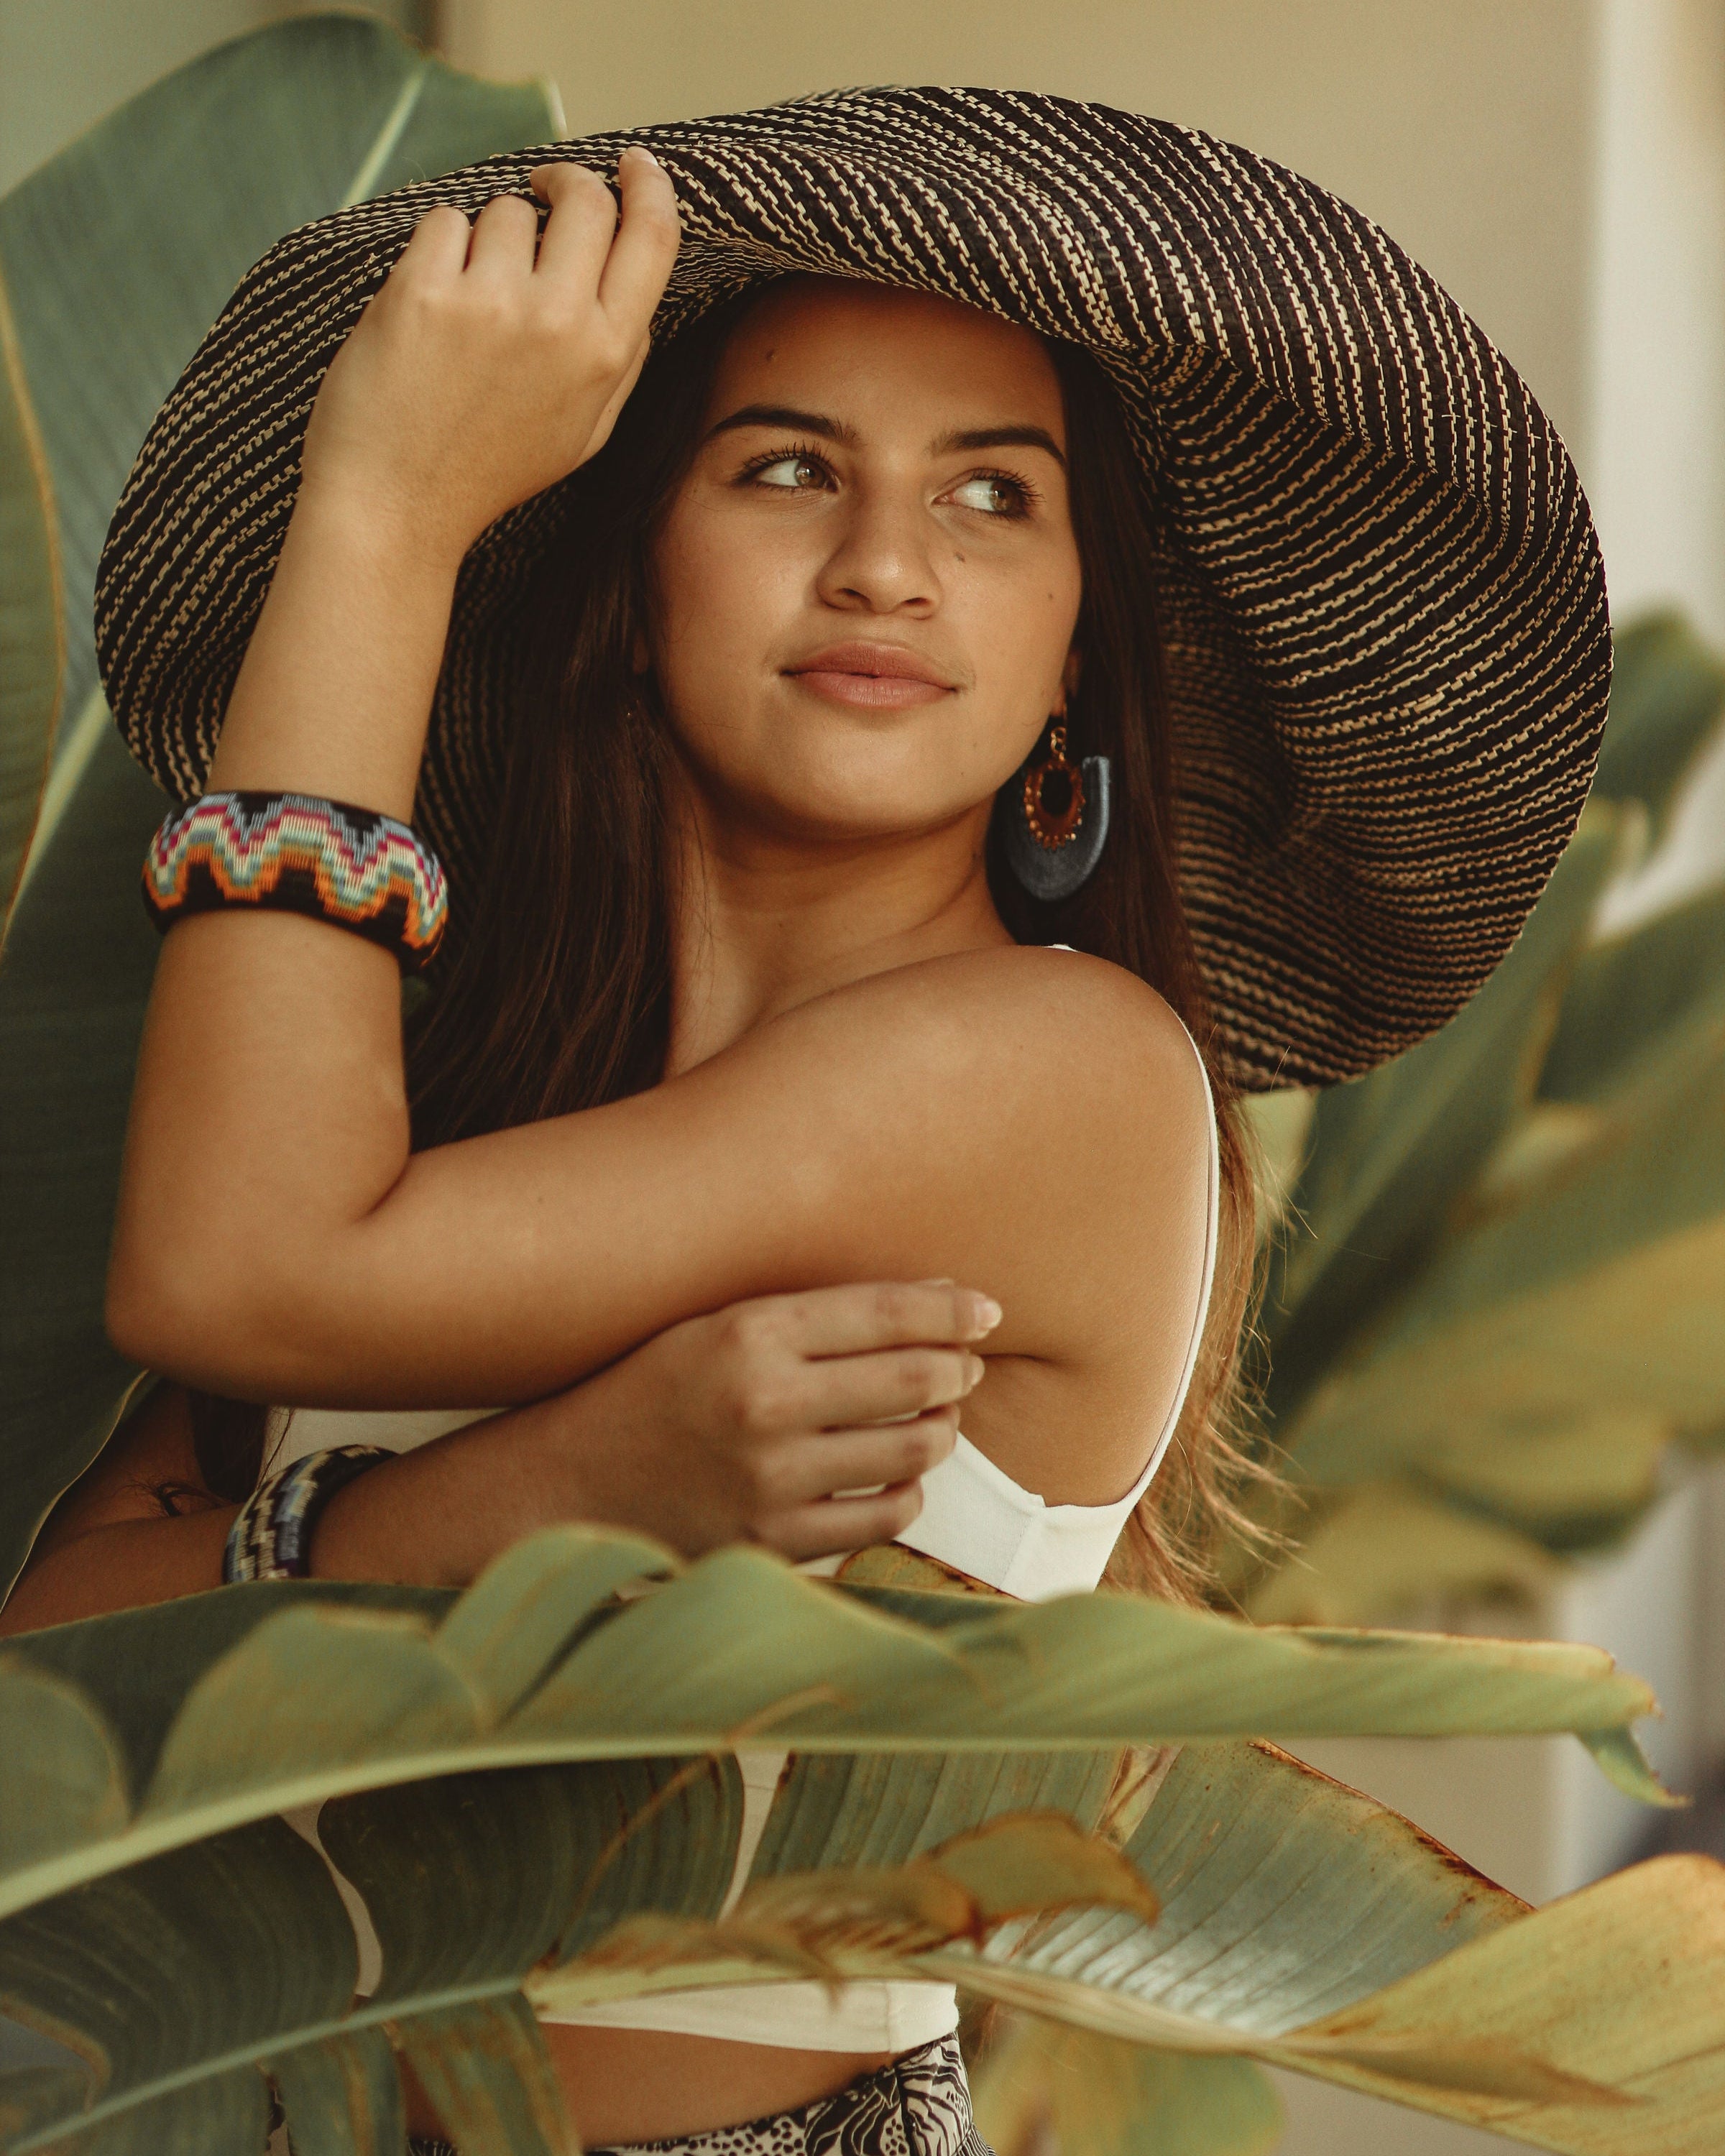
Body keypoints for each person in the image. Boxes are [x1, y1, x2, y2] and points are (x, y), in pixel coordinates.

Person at [9, 84, 1609, 2156]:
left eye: (991, 499)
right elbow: (46, 1683)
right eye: (785, 470)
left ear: (1074, 655)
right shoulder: (428, 1106)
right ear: (632, 566)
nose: (882, 567)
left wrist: (384, 510)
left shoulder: (1059, 1073)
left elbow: (237, 1273)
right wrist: (553, 1489)